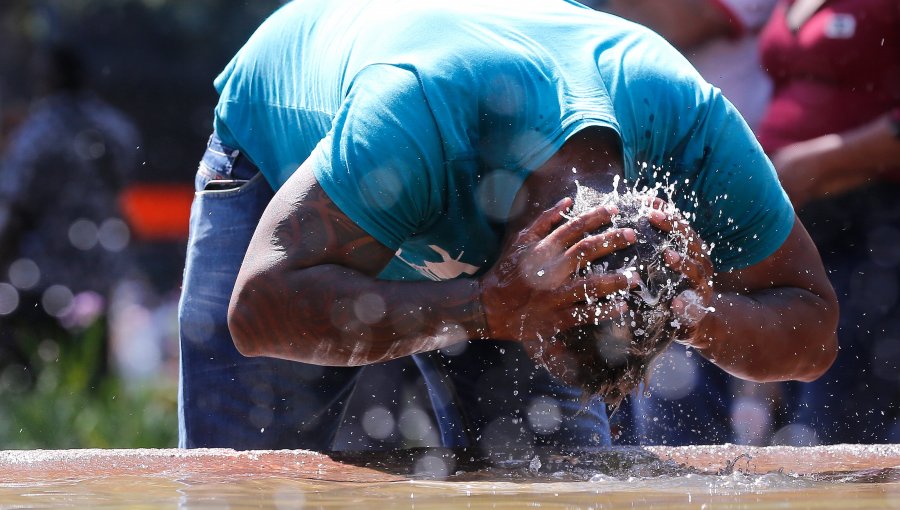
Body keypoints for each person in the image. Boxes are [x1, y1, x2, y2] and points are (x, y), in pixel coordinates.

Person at [179, 0, 838, 453]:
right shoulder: (417, 112)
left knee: (563, 473)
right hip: (289, 144)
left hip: (497, 235)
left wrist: (697, 313)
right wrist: (487, 306)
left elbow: (815, 328)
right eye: (540, 336)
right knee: (247, 477)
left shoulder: (691, 127)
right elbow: (257, 308)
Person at [589, 0, 779, 446]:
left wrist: (704, 320)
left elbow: (683, 21)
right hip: (645, 168)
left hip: (722, 173)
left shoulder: (693, 113)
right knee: (634, 351)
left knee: (682, 330)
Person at [754, 0, 900, 444]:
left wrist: (820, 160)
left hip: (875, 223)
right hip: (798, 221)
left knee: (837, 411)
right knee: (782, 402)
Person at [0, 44, 140, 385]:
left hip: (41, 274)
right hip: (98, 270)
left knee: (32, 371)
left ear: (49, 78)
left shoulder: (38, 131)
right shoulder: (115, 127)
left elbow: (19, 205)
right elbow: (119, 186)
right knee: (92, 369)